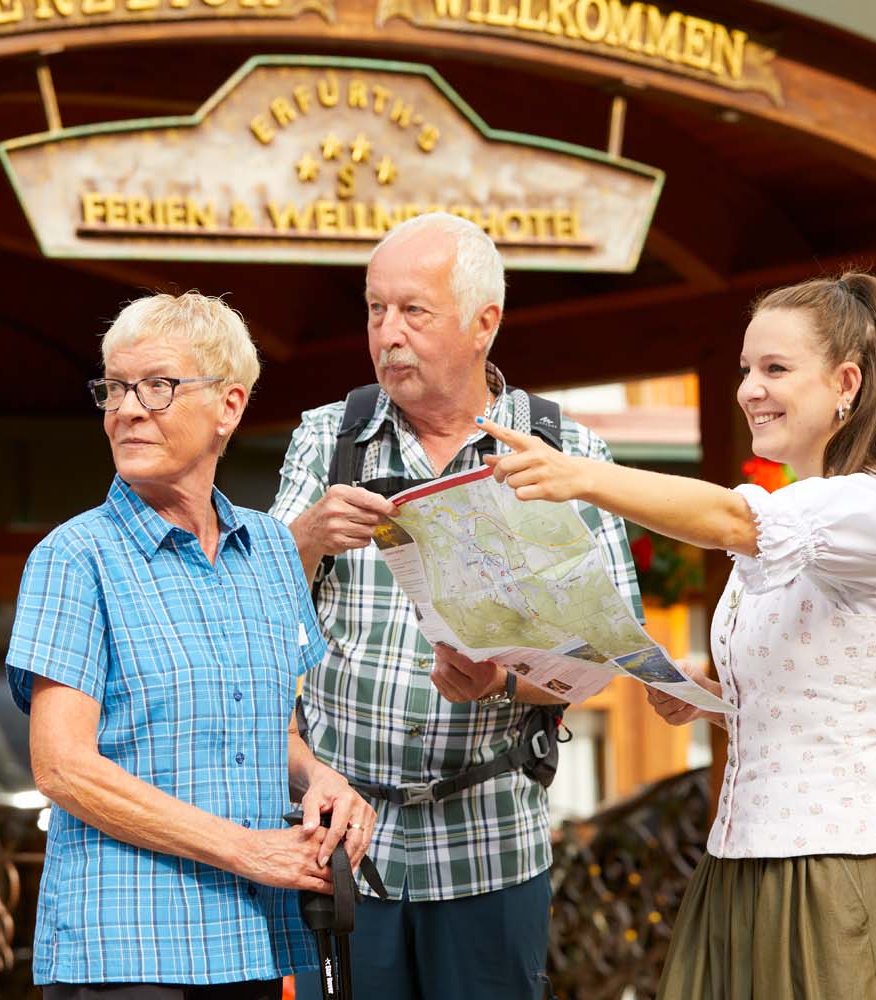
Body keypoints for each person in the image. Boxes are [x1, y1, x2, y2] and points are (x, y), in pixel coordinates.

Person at [479, 272, 876, 999]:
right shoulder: (801, 512)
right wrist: (706, 700)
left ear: (846, 383)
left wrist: (580, 477)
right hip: (742, 859)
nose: (750, 389)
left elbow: (736, 520)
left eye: (775, 369)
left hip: (837, 867)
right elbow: (807, 694)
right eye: (744, 369)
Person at [271, 212, 641, 1000]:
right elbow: (252, 623)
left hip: (491, 846)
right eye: (375, 310)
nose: (387, 333)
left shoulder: (564, 453)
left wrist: (504, 683)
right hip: (340, 845)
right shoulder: (327, 438)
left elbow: (605, 661)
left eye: (413, 310)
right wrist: (304, 541)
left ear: (484, 324)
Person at [6, 291, 376, 999]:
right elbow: (62, 770)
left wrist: (319, 779)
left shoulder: (270, 548)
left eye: (158, 386)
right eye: (113, 388)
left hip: (252, 941)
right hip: (127, 951)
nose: (127, 409)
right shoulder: (75, 558)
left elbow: (276, 729)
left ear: (229, 407)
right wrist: (247, 849)